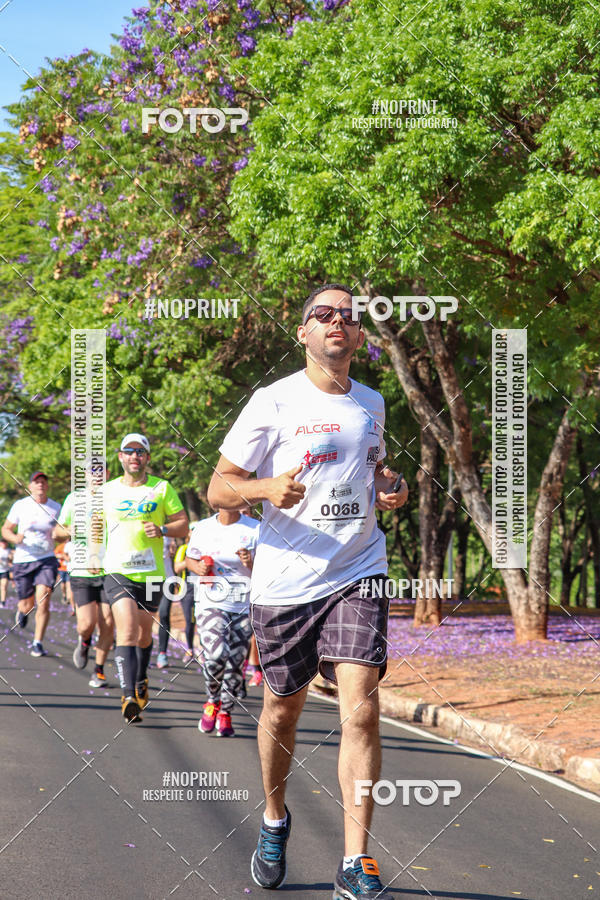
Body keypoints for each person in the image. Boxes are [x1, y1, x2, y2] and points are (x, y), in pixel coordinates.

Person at [207, 284, 408, 898]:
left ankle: (356, 860)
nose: (336, 324)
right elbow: (219, 489)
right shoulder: (272, 402)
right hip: (287, 580)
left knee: (362, 708)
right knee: (281, 711)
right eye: (323, 316)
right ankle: (274, 820)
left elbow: (373, 472)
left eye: (348, 317)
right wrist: (265, 490)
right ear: (303, 333)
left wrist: (389, 486)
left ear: (360, 337)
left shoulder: (372, 401)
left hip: (358, 567)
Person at [102, 433, 188, 722]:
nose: (134, 456)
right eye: (129, 451)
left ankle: (141, 681)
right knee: (125, 629)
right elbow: (91, 528)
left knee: (142, 635)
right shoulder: (107, 491)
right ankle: (128, 696)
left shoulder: (162, 488)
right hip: (117, 571)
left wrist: (163, 530)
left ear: (147, 458)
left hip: (151, 574)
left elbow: (183, 525)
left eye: (140, 452)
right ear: (121, 457)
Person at [185, 508, 258, 737]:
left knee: (236, 662)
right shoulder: (204, 528)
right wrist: (198, 567)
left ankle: (225, 712)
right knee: (216, 654)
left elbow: (266, 570)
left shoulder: (256, 529)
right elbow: (190, 558)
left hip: (242, 605)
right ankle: (212, 700)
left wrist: (250, 562)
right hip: (211, 601)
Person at [53, 474, 115, 688]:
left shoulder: (114, 496)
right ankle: (85, 640)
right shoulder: (74, 499)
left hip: (110, 569)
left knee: (107, 622)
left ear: (107, 474)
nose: (97, 475)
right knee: (87, 623)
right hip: (81, 570)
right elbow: (57, 531)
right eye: (93, 470)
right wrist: (68, 530)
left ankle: (98, 670)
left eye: (102, 470)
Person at [2, 472, 61, 657]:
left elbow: (62, 531)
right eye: (37, 482)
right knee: (27, 604)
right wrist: (14, 538)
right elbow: (5, 529)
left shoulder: (56, 507)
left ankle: (38, 642)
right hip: (23, 560)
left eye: (44, 482)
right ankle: (22, 611)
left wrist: (61, 536)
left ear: (47, 486)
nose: (41, 485)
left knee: (43, 599)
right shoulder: (20, 506)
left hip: (46, 559)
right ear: (30, 486)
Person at [156, 531, 196, 668]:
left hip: (168, 579)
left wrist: (172, 546)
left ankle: (162, 653)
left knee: (164, 614)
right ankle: (141, 650)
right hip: (147, 579)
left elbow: (174, 559)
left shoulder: (168, 532)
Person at [0, 539, 12, 607]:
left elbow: (10, 561)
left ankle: (3, 602)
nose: (4, 544)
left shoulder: (8, 551)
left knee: (3, 586)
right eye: (2, 543)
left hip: (5, 570)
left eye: (5, 543)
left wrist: (10, 559)